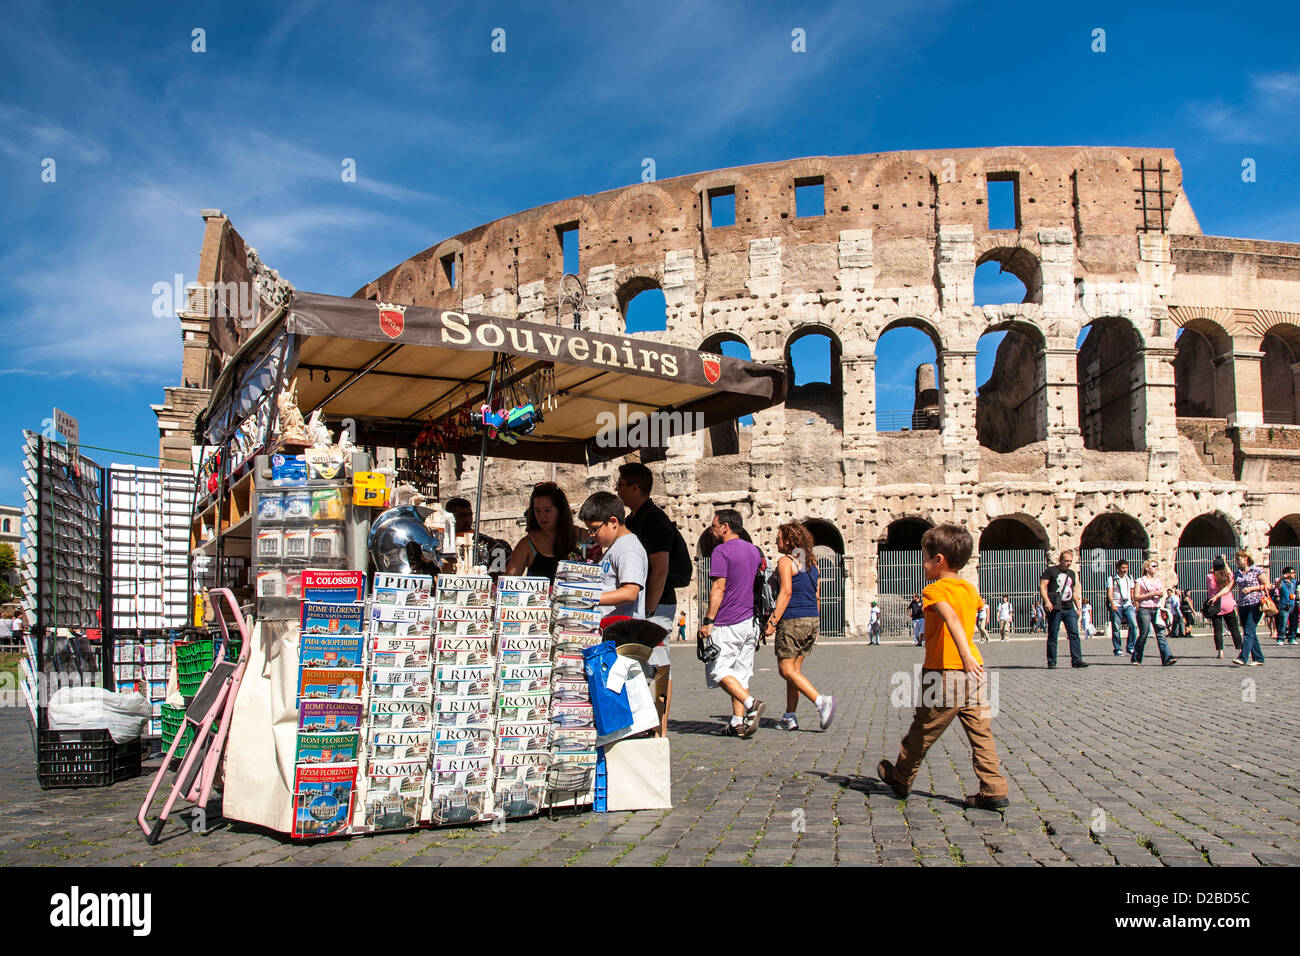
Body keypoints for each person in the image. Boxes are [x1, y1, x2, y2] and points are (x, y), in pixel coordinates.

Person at [877, 525, 1009, 811]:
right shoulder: (969, 588)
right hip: (975, 674)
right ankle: (994, 787)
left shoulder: (934, 590)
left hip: (945, 671)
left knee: (923, 728)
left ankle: (901, 777)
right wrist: (971, 658)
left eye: (924, 558)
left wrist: (963, 653)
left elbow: (950, 618)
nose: (922, 564)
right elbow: (974, 612)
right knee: (981, 732)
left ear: (939, 560)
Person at [615, 462, 683, 735]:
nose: (617, 489)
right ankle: (645, 722)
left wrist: (650, 612)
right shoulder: (634, 519)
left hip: (658, 604)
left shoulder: (653, 519)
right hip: (647, 604)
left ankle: (659, 728)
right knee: (643, 663)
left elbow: (660, 569)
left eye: (620, 484)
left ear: (634, 487)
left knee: (658, 664)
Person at [699, 509, 765, 737]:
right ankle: (738, 723)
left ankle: (750, 704)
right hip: (750, 622)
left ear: (725, 526)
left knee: (717, 671)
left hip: (728, 621)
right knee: (740, 673)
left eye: (714, 525)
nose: (712, 529)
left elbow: (719, 588)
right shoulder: (754, 551)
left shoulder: (721, 551)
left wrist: (708, 621)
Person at [765, 522, 836, 732]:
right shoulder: (813, 564)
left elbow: (785, 592)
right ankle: (789, 716)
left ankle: (821, 702)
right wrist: (816, 624)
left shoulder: (785, 562)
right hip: (811, 619)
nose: (776, 541)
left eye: (778, 537)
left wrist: (772, 621)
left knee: (785, 669)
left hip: (793, 620)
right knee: (794, 671)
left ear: (788, 540)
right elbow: (816, 596)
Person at [577, 492, 648, 621]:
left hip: (621, 631)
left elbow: (630, 592)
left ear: (613, 522)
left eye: (594, 529)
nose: (591, 535)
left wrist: (587, 598)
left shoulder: (628, 549)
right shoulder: (617, 546)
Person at [504, 482, 577, 580]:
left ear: (560, 510)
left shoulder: (582, 537)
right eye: (537, 511)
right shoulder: (526, 544)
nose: (542, 516)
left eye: (547, 510)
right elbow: (508, 580)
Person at [1040, 549, 1088, 669]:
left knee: (1074, 634)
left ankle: (1077, 660)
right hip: (1055, 607)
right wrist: (1046, 601)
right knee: (1053, 634)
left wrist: (1078, 607)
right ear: (1060, 560)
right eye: (1066, 561)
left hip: (1069, 607)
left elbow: (1074, 591)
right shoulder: (1051, 571)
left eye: (1070, 561)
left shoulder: (1071, 573)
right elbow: (1042, 586)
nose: (1068, 563)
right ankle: (1052, 661)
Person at [445, 496, 511, 573]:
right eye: (462, 516)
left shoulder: (484, 540)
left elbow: (506, 560)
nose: (468, 520)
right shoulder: (442, 541)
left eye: (470, 515)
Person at [1132, 558, 1177, 666]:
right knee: (1143, 634)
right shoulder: (1140, 581)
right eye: (1154, 566)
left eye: (1157, 566)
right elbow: (1136, 596)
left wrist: (1160, 594)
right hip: (1144, 610)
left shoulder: (1158, 580)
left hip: (1156, 609)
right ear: (1147, 568)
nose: (1156, 568)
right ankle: (1136, 658)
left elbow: (1161, 593)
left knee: (1161, 633)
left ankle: (1167, 658)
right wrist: (1151, 594)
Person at [1232, 549, 1269, 666]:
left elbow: (1268, 585)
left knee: (1248, 631)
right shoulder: (1237, 573)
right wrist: (1217, 596)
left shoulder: (1257, 570)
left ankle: (1243, 657)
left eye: (1238, 558)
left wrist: (1252, 588)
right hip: (1243, 605)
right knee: (1250, 631)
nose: (1236, 561)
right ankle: (1258, 658)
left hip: (1256, 603)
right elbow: (1229, 587)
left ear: (1245, 558)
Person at [1205, 555, 1241, 660]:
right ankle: (1240, 650)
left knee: (1217, 630)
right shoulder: (1228, 576)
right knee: (1234, 629)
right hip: (1228, 604)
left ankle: (1220, 652)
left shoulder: (1209, 577)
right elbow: (1229, 572)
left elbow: (1211, 574)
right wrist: (1225, 562)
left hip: (1215, 605)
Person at [1106, 559, 1138, 657]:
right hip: (1117, 604)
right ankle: (1117, 648)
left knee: (1133, 625)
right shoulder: (1112, 578)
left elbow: (1132, 591)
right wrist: (1112, 604)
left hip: (1128, 604)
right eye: (1123, 568)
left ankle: (1130, 646)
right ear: (1118, 568)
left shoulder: (1129, 578)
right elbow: (1109, 592)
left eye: (1126, 568)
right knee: (1116, 627)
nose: (1125, 570)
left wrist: (1134, 601)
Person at [1278, 567, 1299, 645]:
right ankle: (1280, 638)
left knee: (1294, 622)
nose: (1294, 574)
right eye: (1292, 572)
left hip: (1293, 604)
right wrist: (1281, 578)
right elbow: (1277, 586)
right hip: (1284, 605)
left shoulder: (1294, 582)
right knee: (1283, 622)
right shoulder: (1282, 582)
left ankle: (1292, 637)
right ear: (1287, 574)